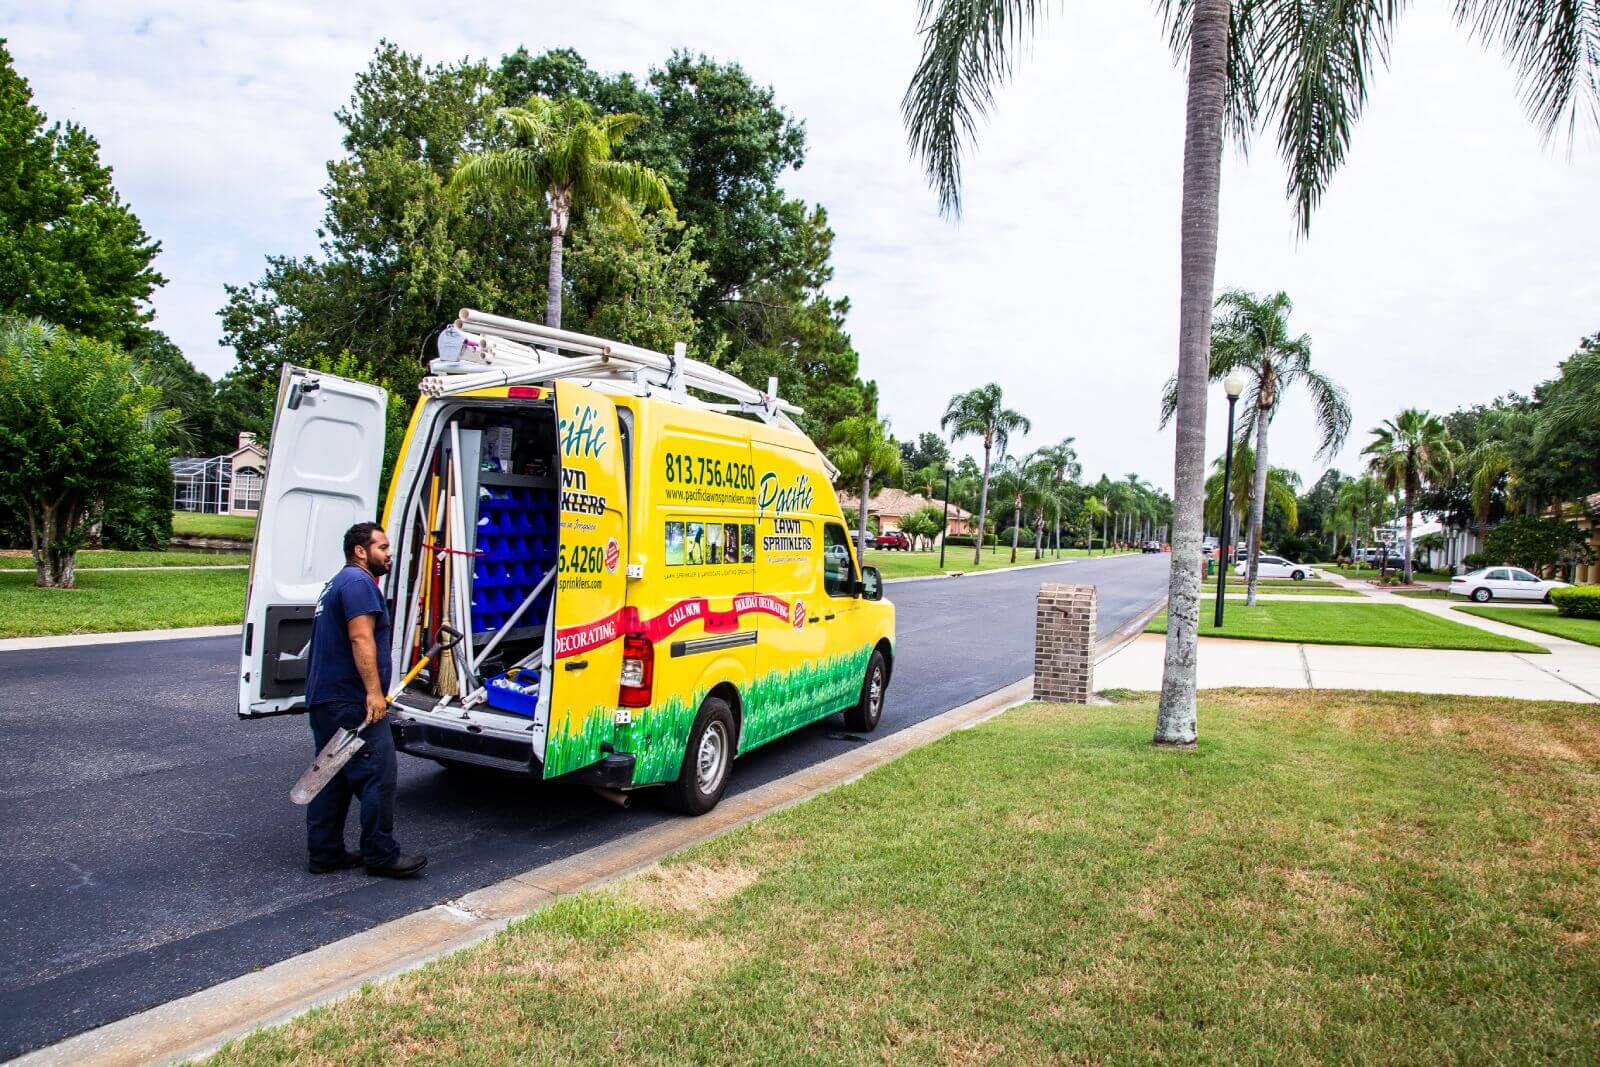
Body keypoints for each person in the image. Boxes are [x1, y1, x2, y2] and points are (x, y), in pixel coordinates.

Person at [302, 522, 427, 878]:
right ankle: (381, 854)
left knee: (332, 774)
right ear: (361, 551)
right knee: (379, 775)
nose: (389, 554)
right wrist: (373, 693)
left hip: (326, 700)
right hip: (351, 700)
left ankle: (325, 853)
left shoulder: (337, 583)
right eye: (383, 547)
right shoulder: (359, 584)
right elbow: (360, 639)